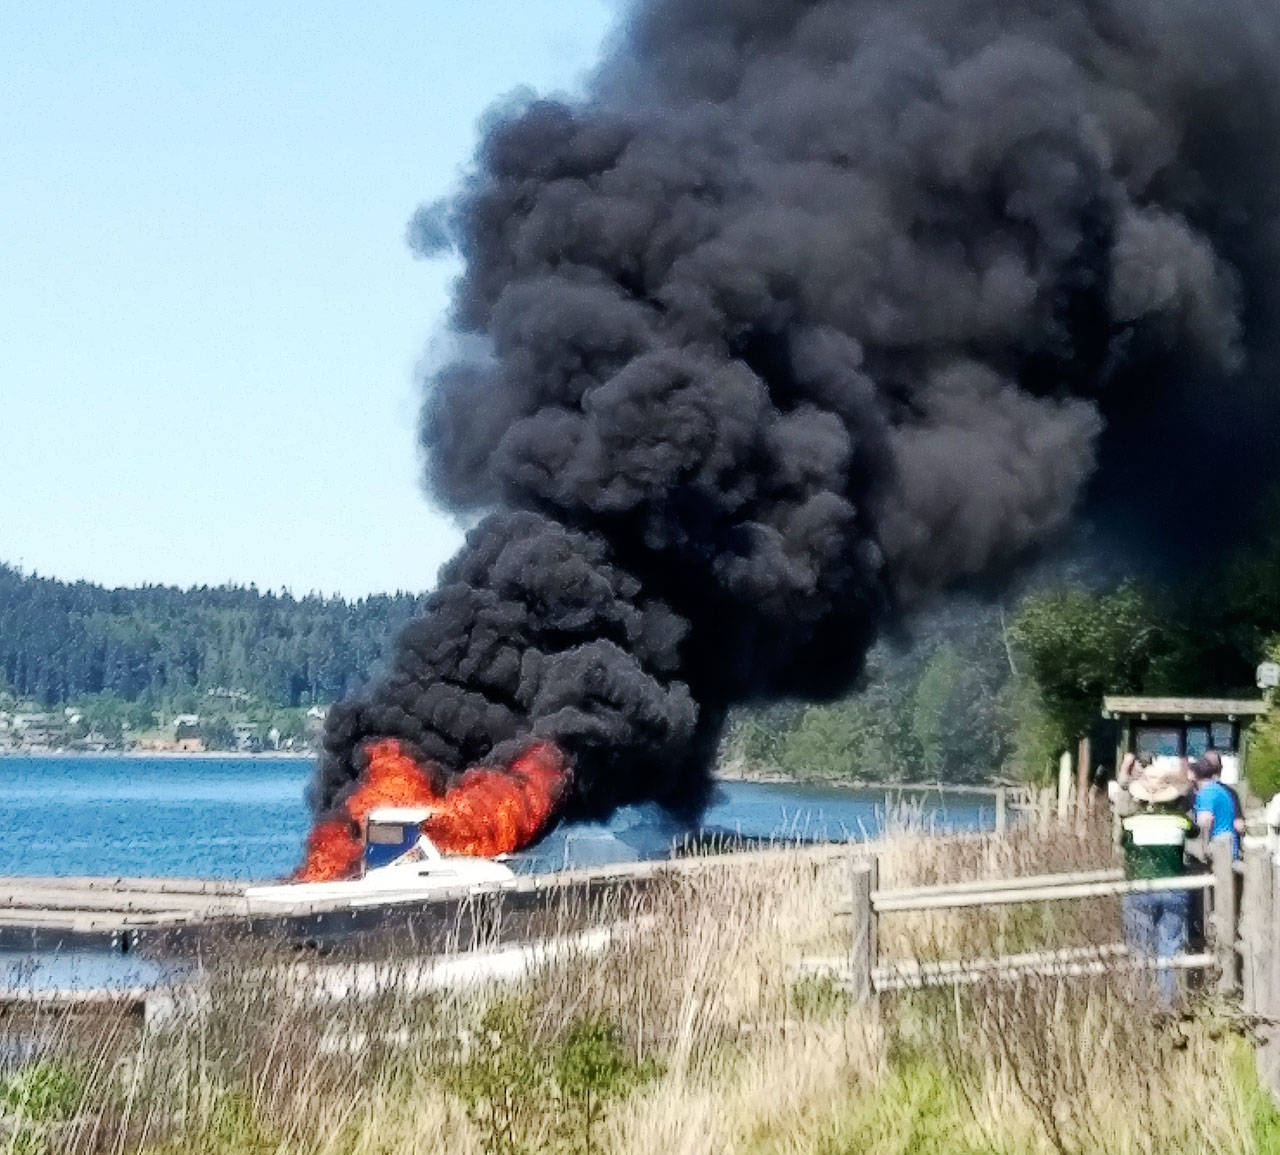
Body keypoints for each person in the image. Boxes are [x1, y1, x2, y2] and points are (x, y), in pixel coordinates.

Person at [1118, 759, 1193, 1007]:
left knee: (1139, 946)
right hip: (1172, 886)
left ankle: (1140, 999)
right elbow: (1193, 832)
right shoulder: (1180, 821)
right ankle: (1165, 1001)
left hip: (1138, 887)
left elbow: (1122, 842)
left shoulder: (1130, 822)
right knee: (1169, 946)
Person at [1191, 752, 1242, 859]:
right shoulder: (1220, 789)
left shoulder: (1207, 793)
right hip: (1228, 845)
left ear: (1195, 775)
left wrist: (1204, 849)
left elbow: (1205, 821)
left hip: (1220, 848)